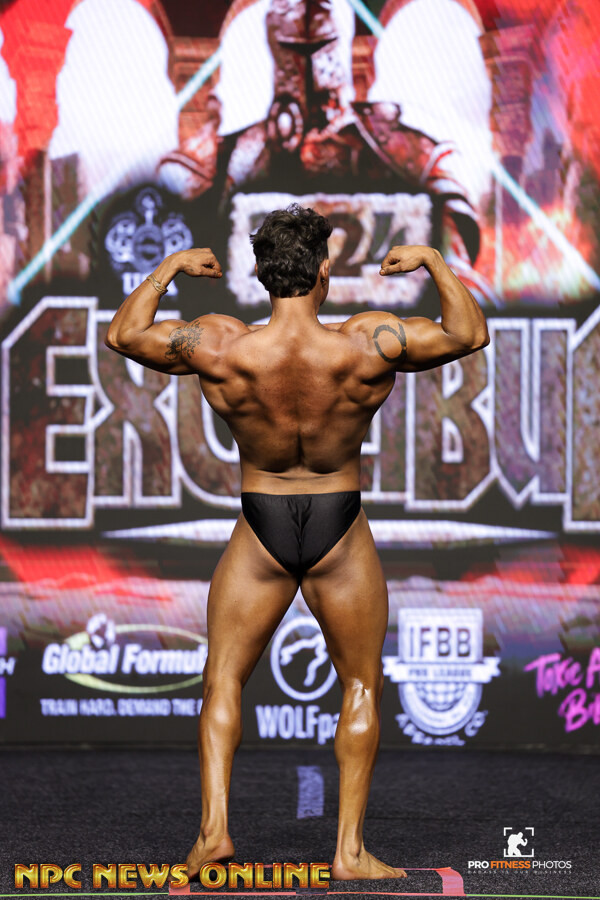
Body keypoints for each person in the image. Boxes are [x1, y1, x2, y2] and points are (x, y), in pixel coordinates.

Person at [105, 204, 489, 881]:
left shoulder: (223, 346)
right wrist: (432, 261)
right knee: (361, 683)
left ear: (260, 274)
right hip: (340, 521)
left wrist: (170, 267)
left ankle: (213, 835)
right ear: (324, 272)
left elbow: (124, 334)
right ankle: (349, 852)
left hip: (263, 522)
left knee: (223, 679)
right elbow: (469, 332)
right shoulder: (365, 343)